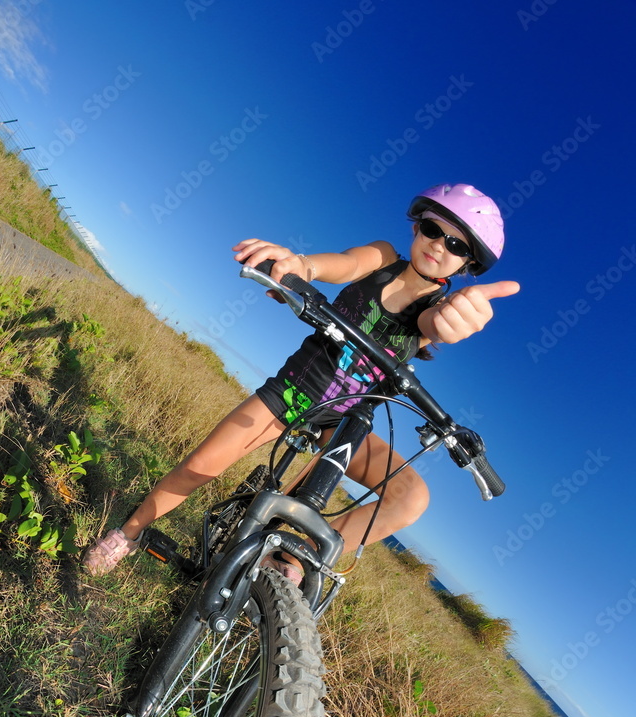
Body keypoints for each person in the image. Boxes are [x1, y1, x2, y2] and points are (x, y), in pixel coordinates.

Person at [83, 183, 519, 580]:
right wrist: (303, 267)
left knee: (411, 497)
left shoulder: (434, 310)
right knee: (199, 467)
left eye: (457, 244)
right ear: (417, 227)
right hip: (296, 390)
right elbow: (346, 263)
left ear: (468, 264)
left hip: (346, 422)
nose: (439, 245)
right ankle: (130, 532)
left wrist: (453, 317)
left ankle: (291, 557)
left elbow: (435, 322)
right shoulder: (385, 257)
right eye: (431, 229)